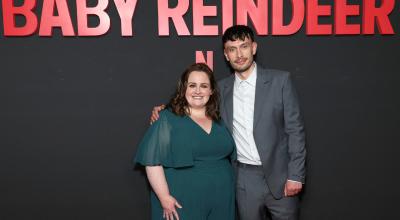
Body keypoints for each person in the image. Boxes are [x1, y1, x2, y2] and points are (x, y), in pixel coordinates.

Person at [151, 25, 306, 220]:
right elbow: (195, 103)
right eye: (232, 49)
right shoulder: (222, 89)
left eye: (244, 46)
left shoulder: (280, 81)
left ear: (254, 48)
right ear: (226, 55)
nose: (239, 54)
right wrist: (164, 110)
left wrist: (296, 175)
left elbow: (295, 131)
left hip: (281, 177)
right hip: (243, 178)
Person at [135, 63, 236, 220]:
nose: (197, 91)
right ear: (184, 89)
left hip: (222, 198)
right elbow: (152, 162)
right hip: (182, 199)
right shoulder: (167, 119)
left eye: (203, 86)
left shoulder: (221, 119)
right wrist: (164, 197)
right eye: (192, 85)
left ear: (211, 91)